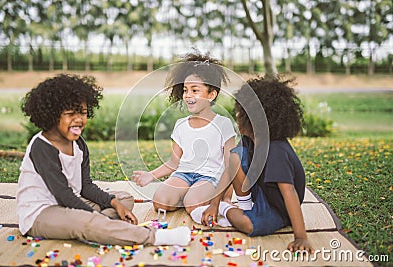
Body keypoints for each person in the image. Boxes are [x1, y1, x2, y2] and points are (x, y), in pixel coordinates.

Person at [17, 74, 191, 246]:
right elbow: (63, 196)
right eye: (70, 114)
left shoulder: (78, 143)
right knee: (87, 220)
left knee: (124, 199)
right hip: (41, 213)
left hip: (69, 204)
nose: (78, 119)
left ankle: (102, 227)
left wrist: (115, 203)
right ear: (52, 115)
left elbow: (85, 186)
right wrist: (95, 216)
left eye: (83, 113)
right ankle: (152, 236)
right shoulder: (43, 147)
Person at [200, 75, 314, 252]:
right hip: (262, 191)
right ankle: (243, 206)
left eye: (241, 113)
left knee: (249, 226)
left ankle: (227, 208)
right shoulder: (249, 139)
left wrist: (301, 237)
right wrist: (213, 204)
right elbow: (231, 168)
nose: (237, 115)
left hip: (278, 207)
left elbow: (289, 192)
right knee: (235, 156)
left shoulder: (276, 149)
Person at [132, 52, 236, 218]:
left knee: (192, 203)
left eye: (195, 90)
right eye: (185, 90)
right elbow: (174, 162)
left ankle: (200, 198)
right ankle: (190, 195)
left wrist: (227, 196)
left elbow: (232, 165)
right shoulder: (181, 125)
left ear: (211, 95)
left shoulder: (223, 124)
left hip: (210, 177)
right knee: (160, 202)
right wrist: (150, 175)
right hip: (184, 174)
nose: (188, 95)